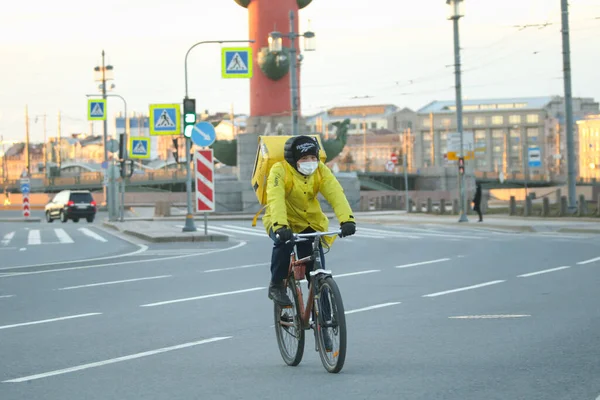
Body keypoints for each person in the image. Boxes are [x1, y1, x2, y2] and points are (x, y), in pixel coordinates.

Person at [263, 135, 356, 306]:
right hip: (283, 221)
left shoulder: (321, 170)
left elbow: (335, 193)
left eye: (314, 157)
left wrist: (347, 219)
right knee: (283, 245)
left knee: (316, 271)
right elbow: (275, 198)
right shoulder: (279, 170)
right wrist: (280, 226)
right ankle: (276, 285)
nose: (310, 162)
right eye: (305, 158)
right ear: (293, 159)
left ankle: (324, 317)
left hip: (310, 223)